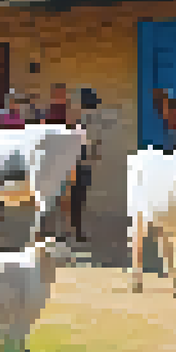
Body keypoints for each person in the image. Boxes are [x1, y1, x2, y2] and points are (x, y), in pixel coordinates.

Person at [68, 87, 103, 242]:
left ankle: (75, 229)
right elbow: (92, 144)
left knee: (75, 199)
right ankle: (76, 231)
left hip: (78, 163)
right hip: (80, 164)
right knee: (77, 199)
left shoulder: (80, 120)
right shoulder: (88, 121)